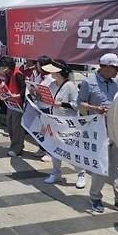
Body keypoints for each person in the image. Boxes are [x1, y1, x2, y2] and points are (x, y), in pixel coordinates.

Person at [78, 53, 118, 216]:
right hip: (99, 130)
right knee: (100, 165)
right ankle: (95, 196)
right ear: (106, 67)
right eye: (116, 68)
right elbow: (80, 105)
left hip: (117, 128)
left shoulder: (116, 83)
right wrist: (95, 109)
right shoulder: (88, 82)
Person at [41, 60, 86, 189]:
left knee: (73, 150)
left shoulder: (70, 86)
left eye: (53, 71)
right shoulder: (52, 85)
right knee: (54, 149)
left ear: (59, 72)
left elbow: (76, 105)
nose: (50, 73)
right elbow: (47, 100)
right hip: (54, 122)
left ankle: (81, 174)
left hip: (69, 124)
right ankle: (56, 173)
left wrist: (60, 104)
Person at [0, 56, 27, 157]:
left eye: (1, 66)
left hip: (18, 104)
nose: (0, 69)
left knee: (17, 127)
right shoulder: (8, 74)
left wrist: (17, 95)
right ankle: (14, 145)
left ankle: (17, 148)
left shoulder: (17, 74)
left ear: (7, 66)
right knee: (10, 125)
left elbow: (24, 89)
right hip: (10, 104)